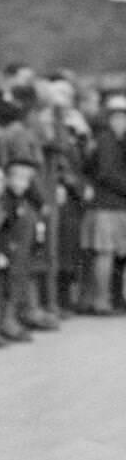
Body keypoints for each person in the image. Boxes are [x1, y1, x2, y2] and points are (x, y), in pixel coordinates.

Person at [79, 93, 126, 313]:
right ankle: (102, 301)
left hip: (113, 203)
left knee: (113, 253)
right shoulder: (106, 140)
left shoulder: (114, 140)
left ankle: (110, 299)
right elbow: (105, 174)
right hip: (107, 204)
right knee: (105, 253)